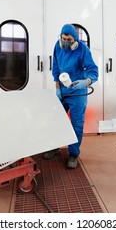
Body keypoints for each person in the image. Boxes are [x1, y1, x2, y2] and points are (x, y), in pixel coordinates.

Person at [43, 24, 99, 168]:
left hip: (77, 93)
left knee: (76, 124)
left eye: (69, 39)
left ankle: (73, 154)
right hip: (62, 91)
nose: (66, 41)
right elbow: (56, 68)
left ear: (75, 39)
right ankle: (55, 146)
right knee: (57, 120)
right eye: (64, 38)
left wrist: (85, 82)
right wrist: (57, 88)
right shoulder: (58, 46)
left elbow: (93, 70)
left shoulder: (82, 49)